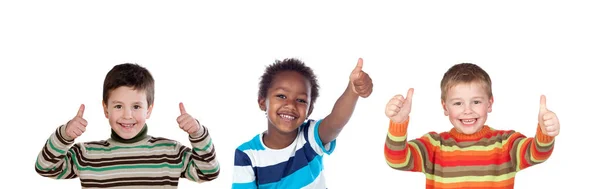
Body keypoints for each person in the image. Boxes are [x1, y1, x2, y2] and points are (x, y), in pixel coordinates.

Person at [35, 63, 220, 188]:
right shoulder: (86, 154)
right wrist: (65, 136)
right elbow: (45, 167)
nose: (127, 115)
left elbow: (208, 172)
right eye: (118, 106)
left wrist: (198, 133)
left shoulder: (169, 152)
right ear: (105, 109)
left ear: (149, 110)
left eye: (136, 106)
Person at [383, 63, 559, 188]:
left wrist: (545, 133)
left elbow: (536, 153)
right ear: (445, 107)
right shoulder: (434, 145)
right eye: (458, 103)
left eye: (476, 102)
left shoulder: (505, 143)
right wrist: (398, 124)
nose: (467, 111)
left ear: (489, 103)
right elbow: (398, 160)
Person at [232, 58, 373, 188]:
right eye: (281, 96)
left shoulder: (310, 137)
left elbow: (335, 122)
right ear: (263, 102)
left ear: (309, 110)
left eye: (301, 100)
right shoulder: (247, 154)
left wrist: (352, 91)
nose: (291, 105)